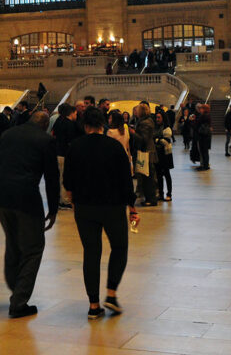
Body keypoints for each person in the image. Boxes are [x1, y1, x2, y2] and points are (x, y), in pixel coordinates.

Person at [63, 107, 137, 319]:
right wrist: (132, 208)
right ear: (103, 124)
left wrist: (73, 201)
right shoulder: (114, 147)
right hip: (112, 207)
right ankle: (111, 294)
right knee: (120, 247)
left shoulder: (75, 147)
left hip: (85, 208)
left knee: (91, 253)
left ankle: (93, 306)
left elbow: (67, 180)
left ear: (85, 125)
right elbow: (126, 181)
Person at [0, 110, 59, 318]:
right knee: (33, 248)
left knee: (13, 243)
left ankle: (15, 287)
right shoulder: (45, 140)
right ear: (46, 125)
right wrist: (54, 208)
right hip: (26, 197)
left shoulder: (8, 134)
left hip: (1, 196)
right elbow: (52, 177)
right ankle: (19, 302)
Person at [50, 102, 78, 210]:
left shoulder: (58, 121)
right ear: (71, 113)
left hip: (57, 152)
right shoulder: (69, 124)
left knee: (59, 177)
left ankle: (58, 199)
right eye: (75, 114)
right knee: (63, 177)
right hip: (64, 153)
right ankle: (64, 201)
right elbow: (70, 141)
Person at [194, 102, 212, 171]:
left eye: (201, 108)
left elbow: (197, 124)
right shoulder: (208, 115)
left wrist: (194, 121)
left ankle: (204, 166)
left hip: (203, 136)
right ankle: (206, 165)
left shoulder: (203, 116)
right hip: (207, 135)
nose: (200, 109)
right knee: (205, 151)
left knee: (203, 151)